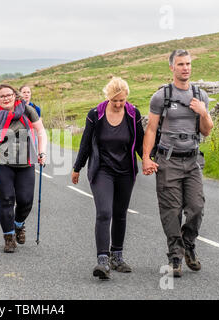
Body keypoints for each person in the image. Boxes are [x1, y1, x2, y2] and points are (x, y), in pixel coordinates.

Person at [142, 49, 213, 277]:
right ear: (172, 67)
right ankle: (175, 255)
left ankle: (188, 244)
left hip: (192, 160)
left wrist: (203, 113)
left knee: (196, 207)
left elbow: (207, 131)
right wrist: (146, 158)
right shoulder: (161, 96)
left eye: (188, 64)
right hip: (168, 161)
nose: (186, 68)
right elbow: (151, 129)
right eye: (181, 64)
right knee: (171, 211)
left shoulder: (200, 96)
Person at [71, 77, 144, 280]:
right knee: (104, 212)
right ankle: (102, 260)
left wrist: (148, 159)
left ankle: (117, 257)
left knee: (120, 214)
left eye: (122, 100)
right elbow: (85, 143)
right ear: (108, 98)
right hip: (102, 170)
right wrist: (77, 168)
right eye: (115, 101)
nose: (119, 104)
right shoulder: (96, 114)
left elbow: (140, 142)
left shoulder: (132, 113)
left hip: (126, 171)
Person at [0, 84, 47, 253]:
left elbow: (41, 132)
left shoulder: (27, 110)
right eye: (1, 96)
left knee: (26, 201)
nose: (5, 98)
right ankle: (9, 237)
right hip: (2, 162)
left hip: (26, 162)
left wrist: (42, 152)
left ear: (15, 96)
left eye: (8, 95)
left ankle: (18, 224)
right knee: (7, 200)